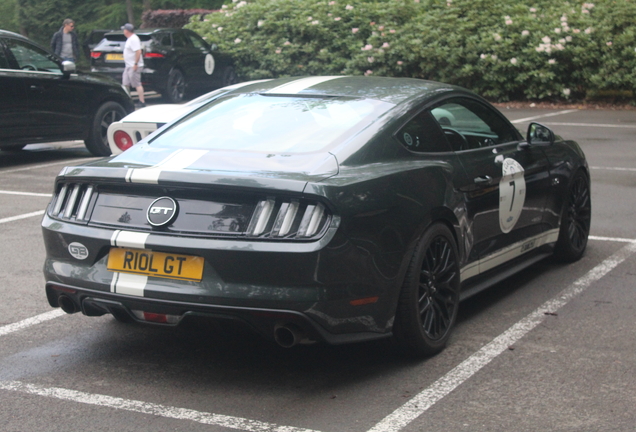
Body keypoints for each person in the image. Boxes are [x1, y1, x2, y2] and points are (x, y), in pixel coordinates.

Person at [121, 23, 146, 107]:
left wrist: (135, 63)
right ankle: (128, 101)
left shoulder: (134, 39)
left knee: (136, 84)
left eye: (124, 29)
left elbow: (138, 51)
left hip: (134, 66)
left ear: (127, 31)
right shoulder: (129, 39)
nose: (123, 31)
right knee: (125, 84)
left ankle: (142, 101)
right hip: (128, 66)